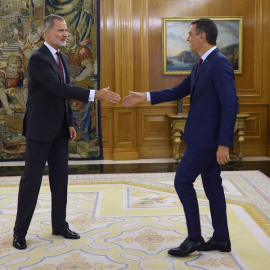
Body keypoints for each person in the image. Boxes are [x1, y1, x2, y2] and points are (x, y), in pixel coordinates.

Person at [122, 18, 238, 257]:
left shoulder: (219, 63)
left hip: (207, 141)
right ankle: (221, 238)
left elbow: (230, 104)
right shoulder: (201, 64)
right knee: (213, 188)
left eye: (190, 34)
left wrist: (224, 143)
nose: (188, 38)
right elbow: (178, 91)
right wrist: (144, 96)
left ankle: (194, 238)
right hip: (201, 138)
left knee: (182, 181)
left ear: (202, 37)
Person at [13, 14, 121, 250]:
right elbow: (57, 88)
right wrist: (95, 95)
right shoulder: (38, 59)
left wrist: (70, 123)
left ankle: (59, 225)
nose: (65, 35)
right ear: (47, 33)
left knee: (60, 180)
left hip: (61, 129)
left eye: (66, 31)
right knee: (31, 181)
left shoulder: (62, 57)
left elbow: (62, 98)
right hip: (40, 129)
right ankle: (20, 233)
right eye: (61, 31)